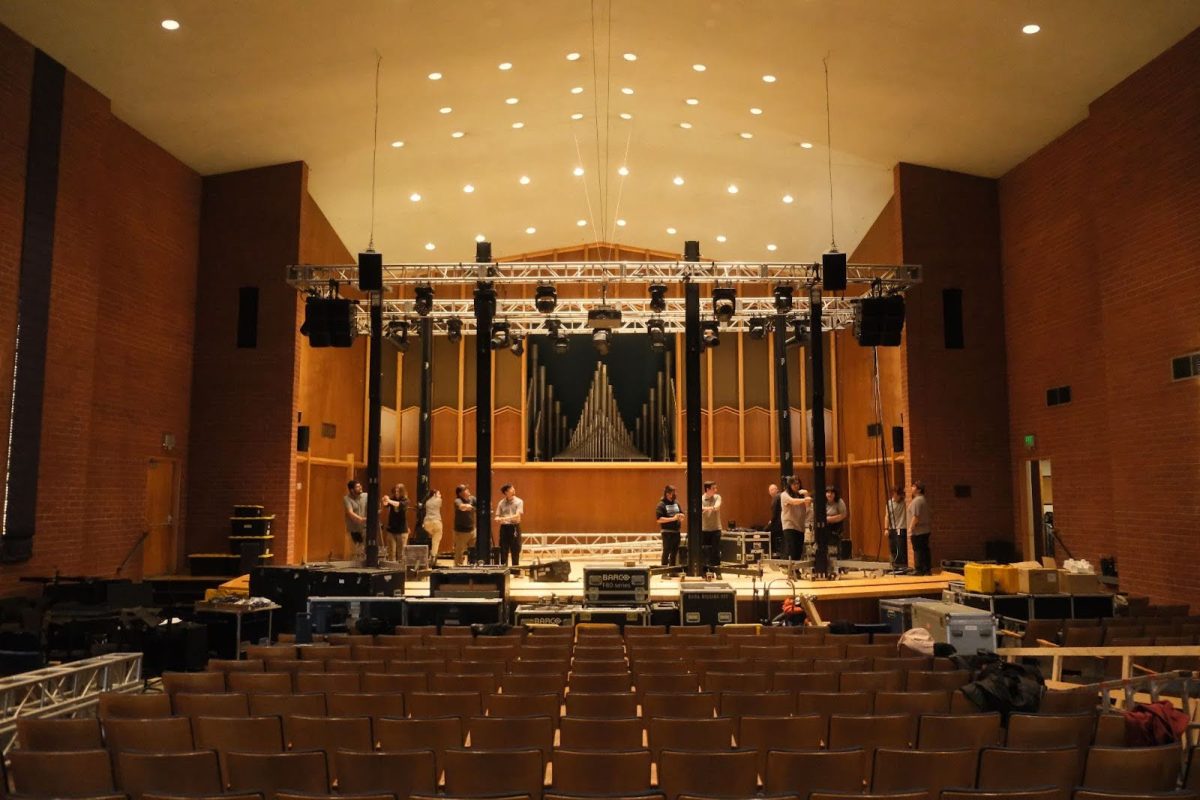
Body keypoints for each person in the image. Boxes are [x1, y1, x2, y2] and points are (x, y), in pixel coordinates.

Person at [779, 476, 811, 561]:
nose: (797, 486)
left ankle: (796, 570)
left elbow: (808, 507)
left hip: (800, 526)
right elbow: (793, 501)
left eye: (798, 483)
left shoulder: (800, 495)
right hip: (790, 525)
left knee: (799, 550)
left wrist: (806, 494)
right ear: (789, 485)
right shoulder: (784, 495)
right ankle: (790, 570)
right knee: (792, 549)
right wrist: (805, 499)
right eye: (794, 484)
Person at [495, 483, 524, 567]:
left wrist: (504, 518)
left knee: (515, 549)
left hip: (514, 527)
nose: (514, 490)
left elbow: (517, 516)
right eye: (512, 489)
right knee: (503, 549)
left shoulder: (519, 501)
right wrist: (498, 518)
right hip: (504, 528)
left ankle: (516, 570)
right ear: (506, 492)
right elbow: (497, 516)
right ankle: (504, 570)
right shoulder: (501, 503)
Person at [655, 485, 684, 568]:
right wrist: (673, 518)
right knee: (666, 551)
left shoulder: (676, 503)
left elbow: (682, 513)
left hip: (676, 532)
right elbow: (659, 519)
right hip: (667, 532)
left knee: (674, 552)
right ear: (667, 494)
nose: (675, 494)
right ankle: (663, 571)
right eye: (673, 492)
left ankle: (672, 571)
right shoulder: (661, 504)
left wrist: (681, 516)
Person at [908, 481, 932, 575]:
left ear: (919, 489)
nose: (911, 488)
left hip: (918, 530)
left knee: (918, 550)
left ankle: (919, 569)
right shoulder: (923, 499)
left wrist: (910, 527)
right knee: (925, 549)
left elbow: (916, 516)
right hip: (925, 529)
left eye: (913, 487)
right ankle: (926, 569)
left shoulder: (917, 500)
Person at [382, 483, 409, 562]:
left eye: (398, 492)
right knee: (391, 553)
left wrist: (389, 500)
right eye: (395, 491)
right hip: (391, 530)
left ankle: (400, 572)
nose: (396, 493)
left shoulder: (406, 500)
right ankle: (391, 571)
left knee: (401, 554)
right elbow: (385, 504)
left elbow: (398, 504)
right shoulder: (392, 498)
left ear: (402, 492)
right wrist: (385, 499)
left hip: (402, 531)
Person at [701, 480, 723, 575]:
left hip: (716, 529)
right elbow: (700, 508)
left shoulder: (717, 497)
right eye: (713, 488)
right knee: (705, 552)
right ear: (707, 489)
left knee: (716, 552)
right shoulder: (700, 499)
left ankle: (717, 572)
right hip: (704, 530)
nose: (716, 490)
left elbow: (717, 507)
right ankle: (706, 572)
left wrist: (706, 509)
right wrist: (711, 508)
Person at [343, 480, 368, 562]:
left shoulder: (366, 496)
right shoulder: (347, 498)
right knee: (355, 551)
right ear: (352, 490)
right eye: (357, 486)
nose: (360, 487)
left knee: (364, 549)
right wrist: (360, 519)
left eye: (360, 485)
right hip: (354, 529)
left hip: (364, 528)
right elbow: (350, 512)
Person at [452, 485, 477, 565]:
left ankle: (472, 566)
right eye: (465, 489)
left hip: (472, 530)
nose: (468, 490)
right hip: (460, 532)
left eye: (467, 488)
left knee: (473, 551)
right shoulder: (458, 500)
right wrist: (469, 506)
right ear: (460, 493)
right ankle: (457, 570)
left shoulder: (472, 499)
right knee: (459, 553)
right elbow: (462, 507)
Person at [886, 485, 908, 569]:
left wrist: (905, 492)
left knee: (901, 547)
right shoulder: (889, 503)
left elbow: (909, 497)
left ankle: (902, 565)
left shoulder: (904, 502)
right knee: (893, 547)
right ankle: (894, 565)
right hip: (892, 529)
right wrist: (886, 528)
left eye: (896, 495)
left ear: (900, 495)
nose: (894, 496)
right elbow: (887, 516)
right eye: (893, 494)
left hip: (901, 528)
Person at [421, 489, 444, 567]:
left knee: (433, 537)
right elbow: (440, 505)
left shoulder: (427, 502)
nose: (440, 495)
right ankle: (433, 558)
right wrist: (438, 497)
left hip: (426, 523)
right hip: (436, 522)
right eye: (439, 493)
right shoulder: (438, 500)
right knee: (436, 540)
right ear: (434, 494)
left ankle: (432, 554)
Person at [825, 486, 848, 557]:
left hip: (836, 527)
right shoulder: (823, 502)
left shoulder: (839, 501)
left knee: (835, 547)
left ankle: (837, 562)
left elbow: (843, 515)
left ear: (835, 494)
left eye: (832, 493)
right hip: (825, 528)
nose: (830, 494)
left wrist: (829, 519)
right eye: (828, 492)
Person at [768, 483, 783, 558]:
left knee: (765, 531)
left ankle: (772, 552)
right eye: (770, 490)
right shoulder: (781, 496)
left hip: (779, 524)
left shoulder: (776, 498)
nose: (770, 492)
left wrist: (771, 522)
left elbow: (775, 515)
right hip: (783, 523)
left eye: (771, 490)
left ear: (776, 490)